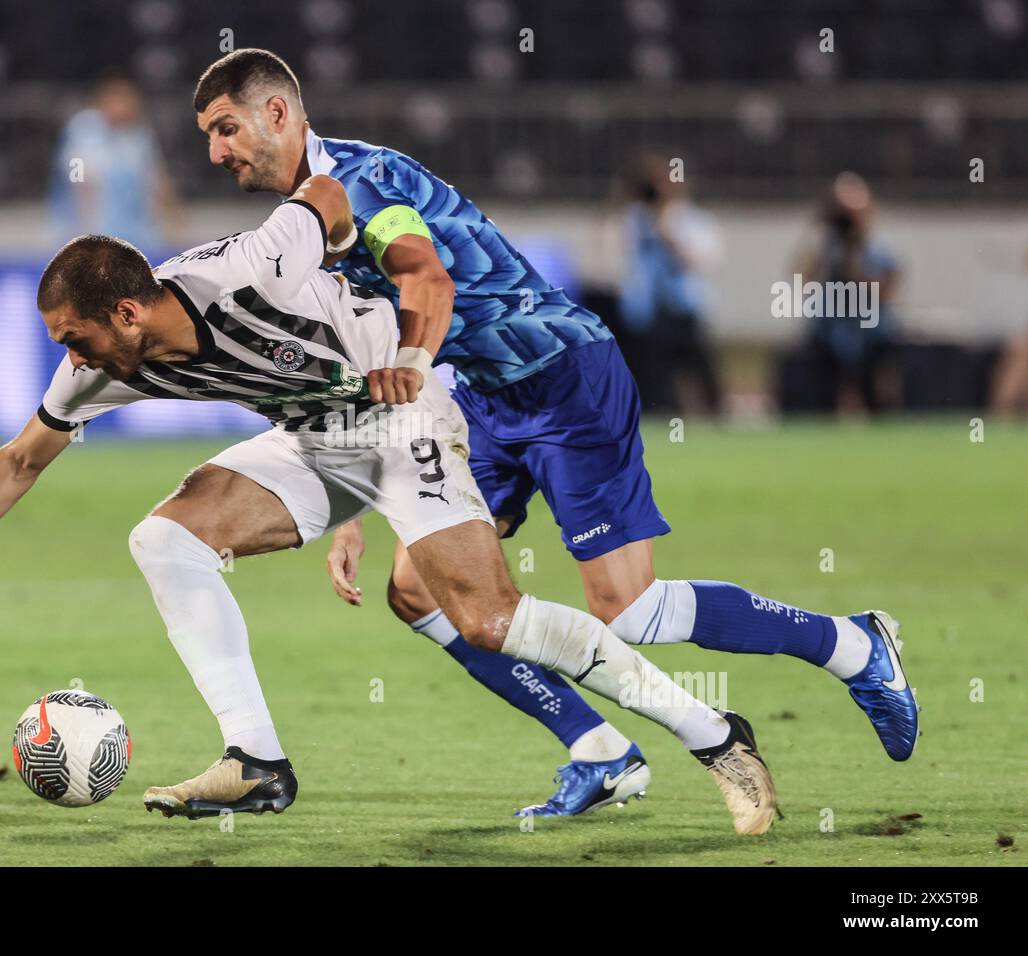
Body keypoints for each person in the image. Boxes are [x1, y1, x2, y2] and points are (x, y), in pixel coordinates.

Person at [0, 175, 779, 834]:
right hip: (315, 438)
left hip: (401, 412)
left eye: (77, 337)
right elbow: (18, 462)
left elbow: (330, 195)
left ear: (127, 314)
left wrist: (379, 282)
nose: (73, 357)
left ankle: (713, 735)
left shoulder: (249, 268)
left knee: (491, 619)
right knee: (165, 537)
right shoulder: (99, 373)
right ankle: (256, 762)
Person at [190, 49, 919, 817]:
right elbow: (367, 349)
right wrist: (357, 504)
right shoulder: (305, 222)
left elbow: (426, 284)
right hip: (483, 397)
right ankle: (599, 751)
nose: (216, 152)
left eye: (226, 128)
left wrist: (405, 378)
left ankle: (852, 644)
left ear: (277, 113)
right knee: (416, 589)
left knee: (629, 611)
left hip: (565, 375)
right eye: (208, 135)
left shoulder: (364, 184)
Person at [617, 151, 724, 416]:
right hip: (648, 313)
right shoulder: (636, 219)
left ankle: (714, 419)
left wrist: (668, 230)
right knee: (652, 382)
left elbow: (698, 262)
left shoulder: (694, 221)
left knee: (701, 374)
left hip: (683, 308)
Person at [795, 172, 902, 414]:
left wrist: (857, 269)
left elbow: (888, 291)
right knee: (821, 403)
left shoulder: (881, 249)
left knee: (879, 402)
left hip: (872, 336)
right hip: (829, 333)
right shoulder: (826, 246)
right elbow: (801, 278)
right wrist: (819, 234)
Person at [49, 70, 186, 256]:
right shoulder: (82, 128)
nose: (127, 106)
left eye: (131, 100)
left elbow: (156, 179)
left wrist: (174, 222)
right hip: (93, 231)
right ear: (104, 101)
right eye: (119, 99)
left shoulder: (139, 134)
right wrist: (82, 234)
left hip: (137, 233)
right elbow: (76, 179)